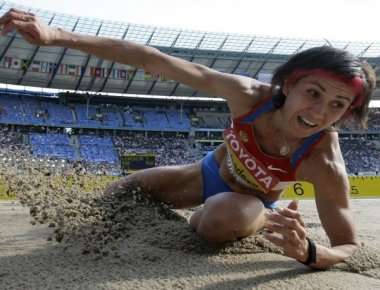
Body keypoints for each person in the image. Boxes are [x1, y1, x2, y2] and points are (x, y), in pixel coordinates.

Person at [0, 8, 376, 269]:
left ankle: (263, 220)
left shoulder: (323, 159)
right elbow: (153, 60)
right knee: (122, 192)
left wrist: (310, 251)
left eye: (338, 105)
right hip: (204, 173)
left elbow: (347, 245)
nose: (319, 113)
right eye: (313, 93)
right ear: (290, 84)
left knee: (219, 220)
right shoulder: (248, 96)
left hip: (247, 203)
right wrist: (57, 36)